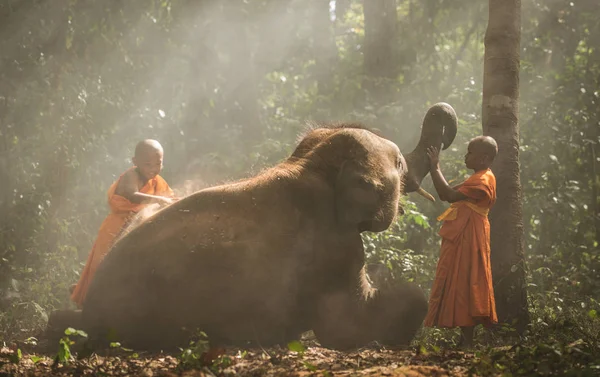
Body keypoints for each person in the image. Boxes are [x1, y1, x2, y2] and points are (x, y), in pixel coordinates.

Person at [70, 139, 176, 308]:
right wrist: (160, 200)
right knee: (102, 264)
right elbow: (132, 194)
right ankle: (89, 301)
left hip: (136, 227)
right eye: (148, 164)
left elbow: (170, 198)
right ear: (135, 162)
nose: (153, 169)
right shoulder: (131, 175)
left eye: (158, 163)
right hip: (117, 226)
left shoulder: (157, 181)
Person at [423, 136, 499, 348]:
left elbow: (446, 194)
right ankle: (465, 339)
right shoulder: (479, 177)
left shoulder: (483, 179)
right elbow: (448, 192)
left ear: (484, 158)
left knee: (469, 279)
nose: (466, 156)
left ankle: (467, 340)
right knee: (463, 279)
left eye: (470, 152)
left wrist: (435, 166)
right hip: (467, 233)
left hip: (472, 236)